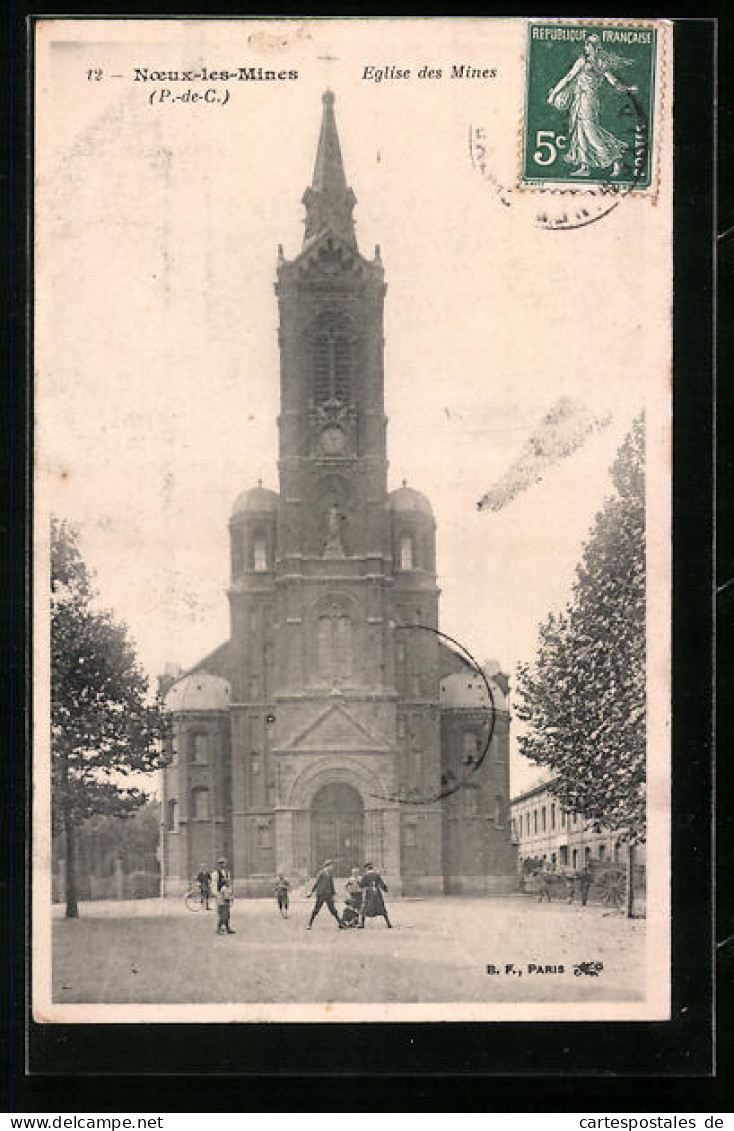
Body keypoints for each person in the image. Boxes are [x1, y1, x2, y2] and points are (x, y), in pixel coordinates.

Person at [547, 35, 638, 178]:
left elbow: (611, 80)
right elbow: (569, 77)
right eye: (585, 45)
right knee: (580, 131)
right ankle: (585, 166)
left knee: (591, 132)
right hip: (582, 99)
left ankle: (616, 158)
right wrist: (555, 93)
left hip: (588, 100)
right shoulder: (592, 62)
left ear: (594, 47)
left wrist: (627, 89)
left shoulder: (592, 63)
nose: (586, 48)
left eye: (588, 45)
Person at [306, 860, 344, 930]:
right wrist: (311, 892)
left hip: (328, 895)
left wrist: (334, 894)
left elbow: (331, 885)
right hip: (321, 894)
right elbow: (316, 883)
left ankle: (340, 923)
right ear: (328, 866)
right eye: (332, 866)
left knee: (333, 910)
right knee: (316, 910)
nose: (332, 867)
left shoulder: (329, 874)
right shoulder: (321, 873)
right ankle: (309, 924)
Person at [359, 862, 392, 929]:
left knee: (365, 907)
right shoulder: (376, 875)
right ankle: (388, 924)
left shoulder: (365, 875)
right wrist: (385, 889)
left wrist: (358, 883)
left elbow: (362, 885)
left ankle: (362, 924)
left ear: (366, 869)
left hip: (369, 893)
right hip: (377, 893)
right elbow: (382, 883)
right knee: (381, 907)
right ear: (372, 868)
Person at [212, 856, 236, 935]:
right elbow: (214, 884)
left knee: (227, 911)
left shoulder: (227, 873)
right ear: (219, 864)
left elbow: (229, 884)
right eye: (222, 863)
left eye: (224, 863)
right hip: (219, 894)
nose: (223, 864)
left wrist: (230, 892)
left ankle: (227, 927)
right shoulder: (215, 873)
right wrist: (215, 894)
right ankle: (218, 928)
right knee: (222, 912)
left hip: (226, 893)